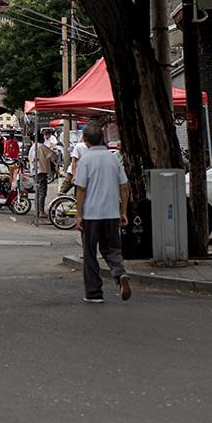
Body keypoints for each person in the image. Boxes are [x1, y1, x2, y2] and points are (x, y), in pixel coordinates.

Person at [73, 121, 130, 303]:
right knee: (112, 249)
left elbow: (81, 189)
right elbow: (124, 187)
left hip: (91, 215)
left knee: (90, 254)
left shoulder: (85, 160)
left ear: (86, 140)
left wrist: (79, 214)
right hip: (112, 213)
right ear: (102, 139)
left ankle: (94, 293)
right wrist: (123, 211)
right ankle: (120, 273)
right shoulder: (114, 158)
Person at [29, 133, 53, 225]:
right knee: (42, 192)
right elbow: (52, 155)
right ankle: (41, 211)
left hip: (34, 171)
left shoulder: (32, 147)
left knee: (38, 192)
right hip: (40, 171)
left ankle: (38, 210)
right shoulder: (41, 147)